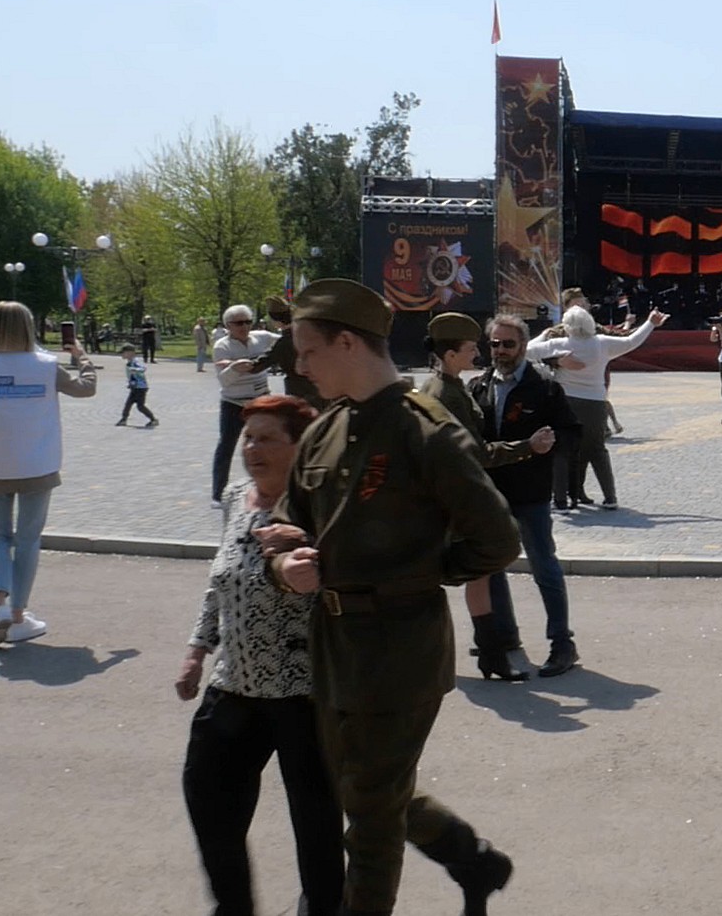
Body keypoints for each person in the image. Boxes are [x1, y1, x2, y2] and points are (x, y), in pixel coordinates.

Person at [262, 279, 522, 916]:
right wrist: (283, 565)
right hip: (333, 650)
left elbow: (497, 540)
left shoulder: (426, 433)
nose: (299, 366)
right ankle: (469, 856)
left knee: (370, 823)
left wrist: (421, 572)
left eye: (308, 351)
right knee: (363, 792)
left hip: (401, 651)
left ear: (347, 342)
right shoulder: (323, 432)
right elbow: (283, 530)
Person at [176, 394, 343, 916]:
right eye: (249, 437)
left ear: (300, 446)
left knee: (315, 824)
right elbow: (218, 582)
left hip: (303, 694)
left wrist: (311, 565)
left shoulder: (322, 506)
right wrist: (197, 649)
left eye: (268, 438)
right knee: (207, 796)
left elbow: (348, 578)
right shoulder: (235, 497)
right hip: (235, 688)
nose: (253, 449)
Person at [421, 312, 555, 682]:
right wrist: (527, 447)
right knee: (458, 574)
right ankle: (477, 655)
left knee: (478, 573)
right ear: (450, 355)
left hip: (452, 492)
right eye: (471, 347)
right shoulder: (446, 393)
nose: (481, 351)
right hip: (454, 495)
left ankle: (492, 653)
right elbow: (474, 452)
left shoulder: (446, 385)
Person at [471, 315, 583, 678]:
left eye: (508, 344)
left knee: (544, 566)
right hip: (491, 495)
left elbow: (571, 433)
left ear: (523, 346)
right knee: (493, 567)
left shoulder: (545, 386)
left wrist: (550, 448)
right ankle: (504, 637)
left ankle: (561, 643)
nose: (500, 351)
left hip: (531, 494)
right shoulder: (479, 386)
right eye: (494, 344)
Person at [0, 301, 98, 647]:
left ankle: (0, 605)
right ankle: (19, 616)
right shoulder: (46, 366)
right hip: (37, 463)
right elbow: (86, 388)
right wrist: (81, 355)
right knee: (28, 539)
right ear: (30, 327)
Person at [524, 305, 665, 510]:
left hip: (565, 401)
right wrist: (650, 323)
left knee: (562, 451)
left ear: (567, 325)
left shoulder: (559, 343)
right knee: (597, 450)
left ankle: (561, 500)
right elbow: (631, 341)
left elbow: (526, 350)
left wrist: (545, 338)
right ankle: (610, 497)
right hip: (595, 402)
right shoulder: (602, 343)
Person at [211, 305, 279, 504]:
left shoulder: (263, 337)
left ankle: (269, 488)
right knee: (226, 446)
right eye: (238, 323)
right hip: (233, 402)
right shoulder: (222, 346)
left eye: (248, 322)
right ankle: (218, 493)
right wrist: (234, 368)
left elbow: (288, 341)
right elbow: (224, 381)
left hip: (261, 400)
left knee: (269, 444)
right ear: (228, 325)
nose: (244, 327)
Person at [248, 296, 326, 411]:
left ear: (276, 321)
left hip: (299, 393)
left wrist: (238, 363)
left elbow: (258, 365)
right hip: (321, 389)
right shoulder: (310, 334)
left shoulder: (284, 342)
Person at [114, 342, 158, 427]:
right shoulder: (129, 362)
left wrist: (134, 369)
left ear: (130, 353)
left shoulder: (136, 361)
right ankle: (124, 419)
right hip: (135, 387)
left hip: (141, 388)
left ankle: (153, 419)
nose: (122, 355)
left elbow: (143, 368)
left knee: (140, 406)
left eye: (123, 353)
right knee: (128, 404)